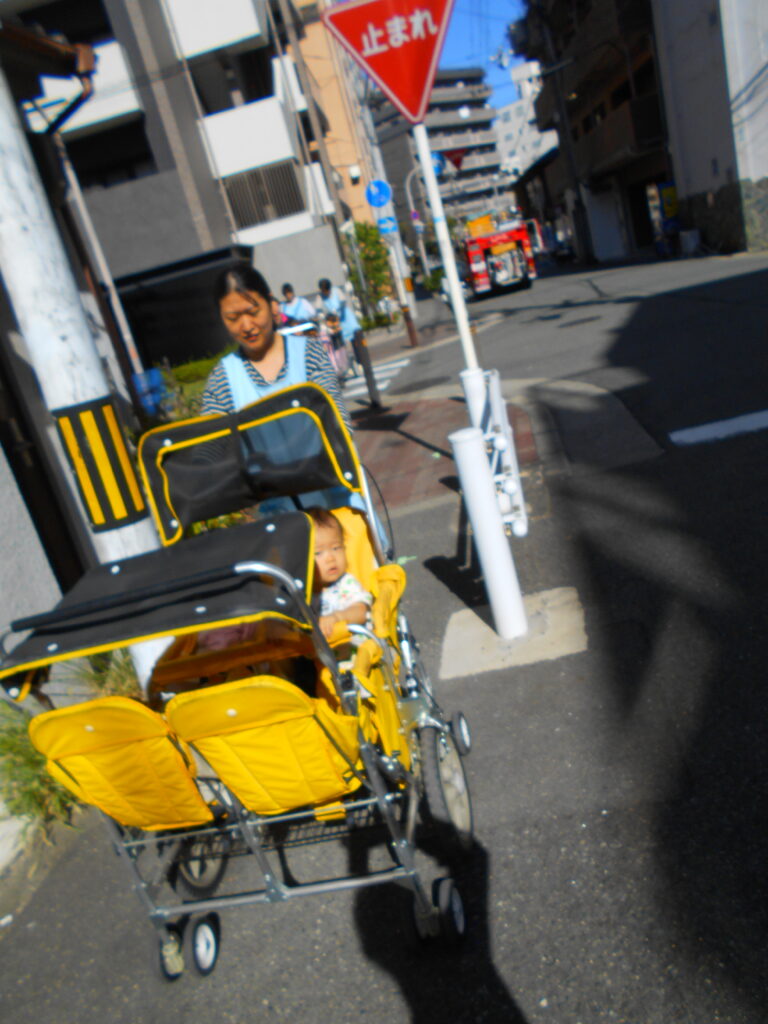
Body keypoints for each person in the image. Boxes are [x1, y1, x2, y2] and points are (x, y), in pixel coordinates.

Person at [201, 262, 349, 427]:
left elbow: (338, 422)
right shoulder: (222, 379)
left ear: (271, 304)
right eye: (233, 318)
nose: (247, 326)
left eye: (253, 312)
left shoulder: (309, 353)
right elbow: (211, 445)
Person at [308, 507, 371, 643]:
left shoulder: (346, 583)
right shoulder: (305, 594)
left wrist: (337, 617)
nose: (331, 558)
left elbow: (361, 612)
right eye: (318, 553)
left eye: (336, 548)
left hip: (359, 652)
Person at [316, 277, 364, 373]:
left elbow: (343, 302)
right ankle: (348, 366)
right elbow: (318, 308)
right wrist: (321, 315)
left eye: (326, 290)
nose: (325, 293)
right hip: (335, 323)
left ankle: (360, 363)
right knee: (342, 346)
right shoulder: (321, 296)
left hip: (346, 319)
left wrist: (337, 311)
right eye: (323, 291)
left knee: (355, 341)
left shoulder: (336, 291)